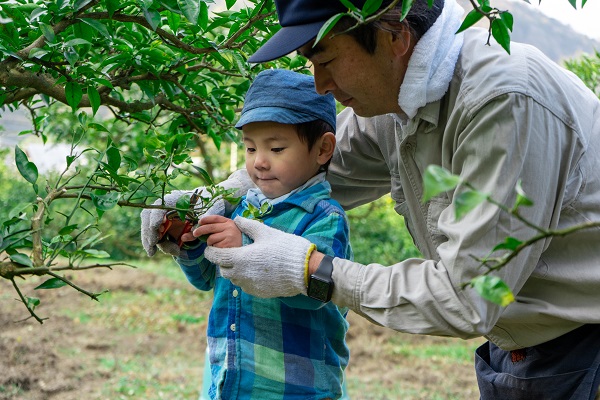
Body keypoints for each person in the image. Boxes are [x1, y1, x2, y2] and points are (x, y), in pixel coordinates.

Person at [142, 0, 600, 398]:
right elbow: (304, 172)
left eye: (327, 59)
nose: (320, 84)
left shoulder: (502, 101)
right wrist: (204, 202)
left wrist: (311, 270)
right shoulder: (394, 105)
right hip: (521, 352)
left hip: (585, 344)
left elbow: (469, 295)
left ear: (394, 37)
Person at [145, 69, 353, 399]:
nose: (259, 163)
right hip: (230, 382)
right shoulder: (240, 206)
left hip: (294, 390)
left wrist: (244, 248)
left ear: (323, 149)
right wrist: (189, 244)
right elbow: (206, 278)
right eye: (251, 148)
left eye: (277, 149)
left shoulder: (324, 217)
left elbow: (318, 293)